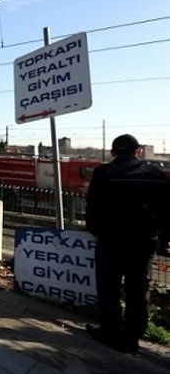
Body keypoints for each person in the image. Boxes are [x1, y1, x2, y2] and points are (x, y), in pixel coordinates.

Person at [85, 134, 170, 353]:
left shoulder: (103, 173)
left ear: (113, 152)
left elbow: (93, 209)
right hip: (144, 242)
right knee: (138, 289)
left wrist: (97, 233)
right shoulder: (157, 174)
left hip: (111, 242)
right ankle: (132, 337)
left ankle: (110, 331)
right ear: (138, 151)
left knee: (109, 288)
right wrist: (164, 237)